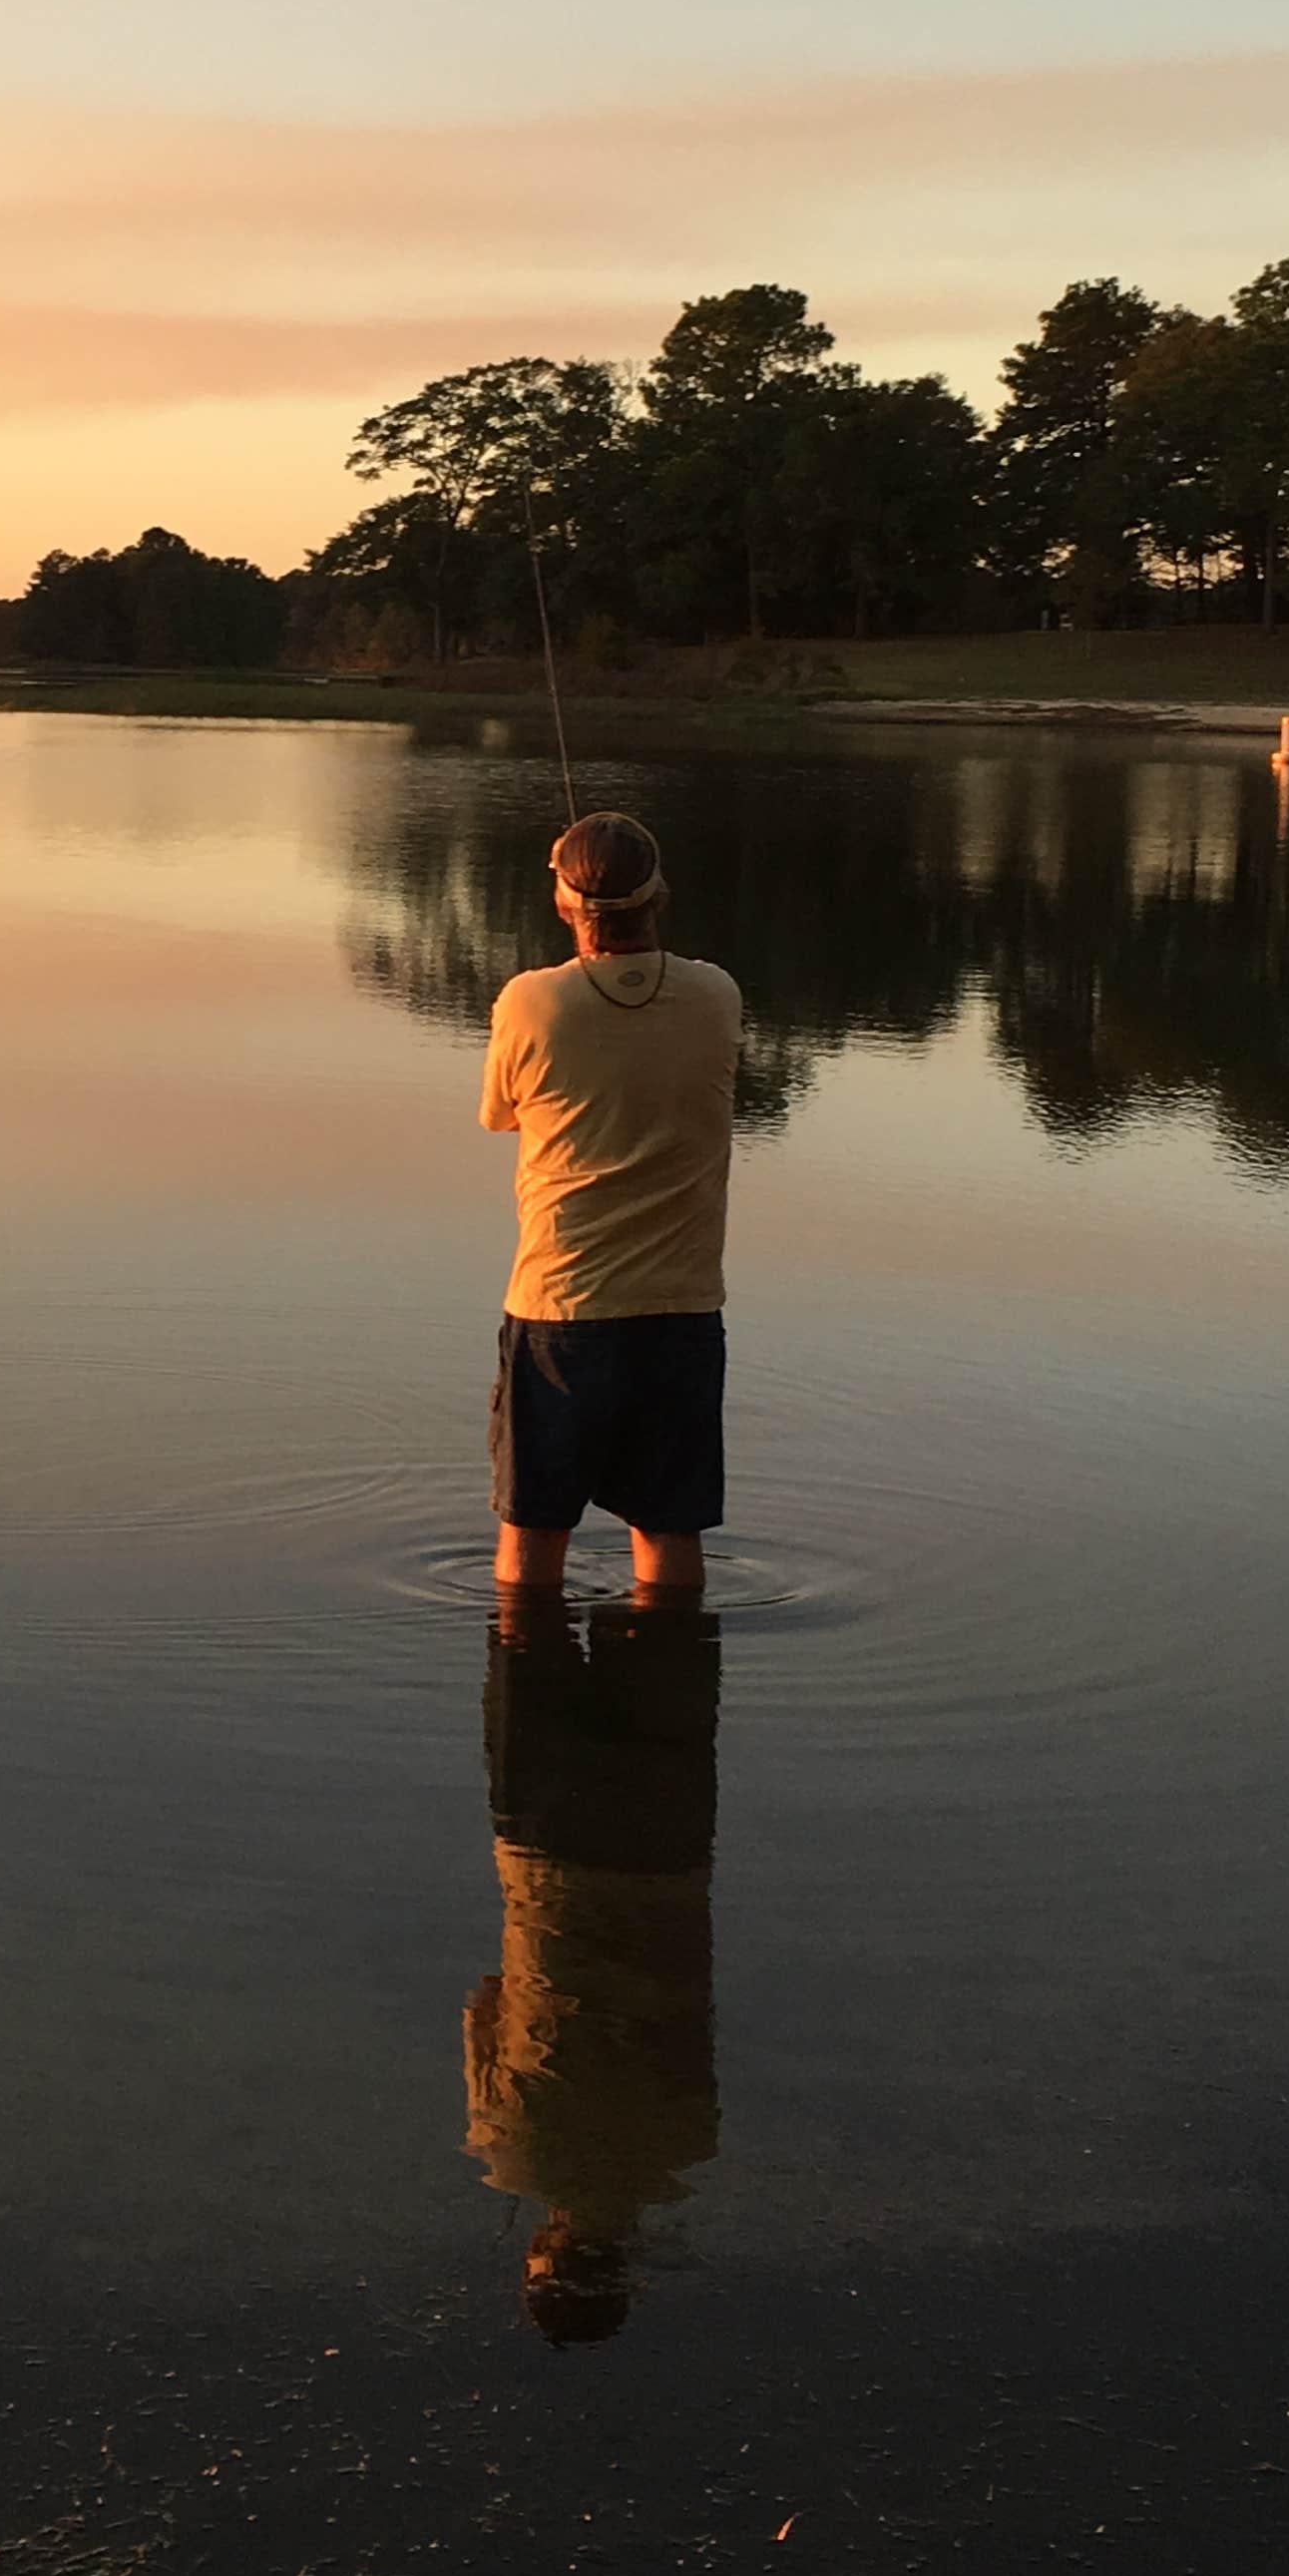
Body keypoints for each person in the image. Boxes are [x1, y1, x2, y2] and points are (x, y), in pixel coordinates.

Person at [478, 809, 740, 1598]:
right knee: (668, 1534)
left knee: (532, 1540)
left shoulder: (530, 1002)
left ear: (564, 903)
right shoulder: (716, 995)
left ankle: (532, 1695)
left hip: (560, 1310)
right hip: (682, 1313)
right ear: (658, 892)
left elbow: (501, 1113)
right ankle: (667, 1695)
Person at [462, 1593, 721, 2347]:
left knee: (665, 1626)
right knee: (524, 1622)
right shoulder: (505, 2151)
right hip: (547, 1860)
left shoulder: (685, 2147)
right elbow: (484, 2000)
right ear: (540, 2256)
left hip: (670, 1861)